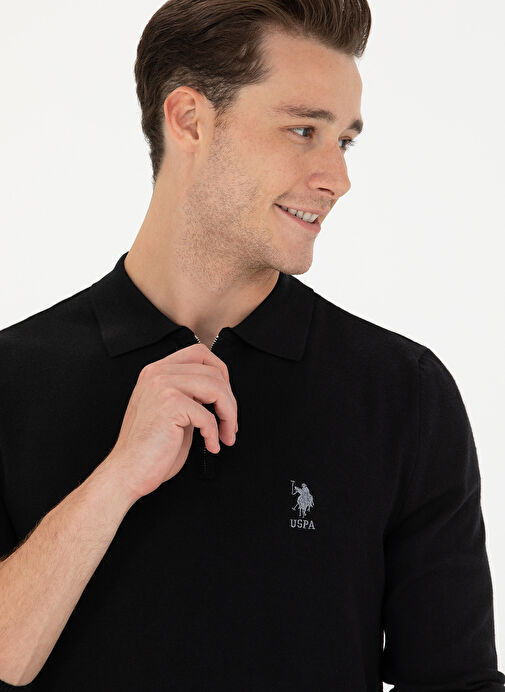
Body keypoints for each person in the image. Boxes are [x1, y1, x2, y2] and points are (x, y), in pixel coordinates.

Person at [0, 0, 503, 689]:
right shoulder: (12, 381)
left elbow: (454, 683)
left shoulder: (402, 393)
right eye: (303, 130)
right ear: (189, 119)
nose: (338, 178)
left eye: (344, 140)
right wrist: (115, 481)